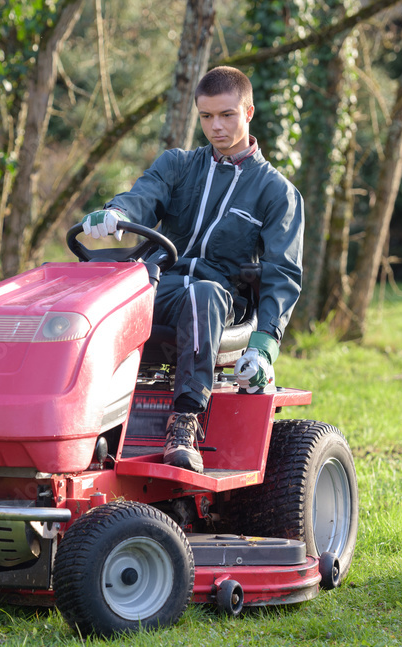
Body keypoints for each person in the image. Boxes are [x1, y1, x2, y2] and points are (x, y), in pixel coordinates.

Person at [82, 66, 304, 473]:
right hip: (163, 285)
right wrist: (115, 213)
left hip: (221, 299)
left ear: (248, 111)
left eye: (227, 115)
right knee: (99, 295)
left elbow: (282, 275)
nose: (216, 127)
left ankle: (184, 423)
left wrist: (264, 347)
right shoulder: (178, 165)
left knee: (203, 293)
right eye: (206, 117)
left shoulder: (277, 192)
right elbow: (142, 197)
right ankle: (80, 420)